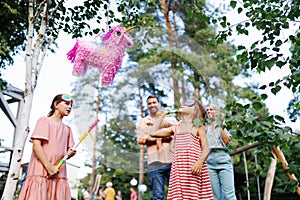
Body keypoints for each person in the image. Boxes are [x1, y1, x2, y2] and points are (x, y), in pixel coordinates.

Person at [150, 97, 214, 199]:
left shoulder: (198, 127)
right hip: (179, 171)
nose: (183, 104)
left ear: (194, 110)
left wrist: (200, 162)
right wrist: (162, 115)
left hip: (193, 169)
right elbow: (153, 132)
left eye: (189, 103)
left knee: (193, 196)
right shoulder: (175, 128)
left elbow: (206, 149)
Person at [18, 94, 76, 200]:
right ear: (56, 104)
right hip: (41, 171)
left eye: (71, 105)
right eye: (67, 104)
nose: (70, 107)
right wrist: (49, 167)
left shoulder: (67, 129)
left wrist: (70, 154)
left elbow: (67, 152)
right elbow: (36, 146)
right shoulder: (44, 121)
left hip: (58, 175)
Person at [137, 95, 177, 200]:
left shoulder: (169, 119)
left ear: (159, 104)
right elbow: (140, 139)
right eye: (149, 103)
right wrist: (160, 138)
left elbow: (178, 133)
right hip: (155, 161)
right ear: (147, 106)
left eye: (154, 102)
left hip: (171, 159)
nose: (152, 105)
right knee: (158, 195)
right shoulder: (144, 121)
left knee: (176, 193)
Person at [205, 104, 237, 200]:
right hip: (209, 159)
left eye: (211, 109)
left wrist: (221, 124)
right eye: (207, 110)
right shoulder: (204, 127)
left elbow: (226, 141)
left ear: (217, 112)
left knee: (229, 194)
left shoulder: (223, 124)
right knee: (215, 196)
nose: (209, 111)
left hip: (222, 157)